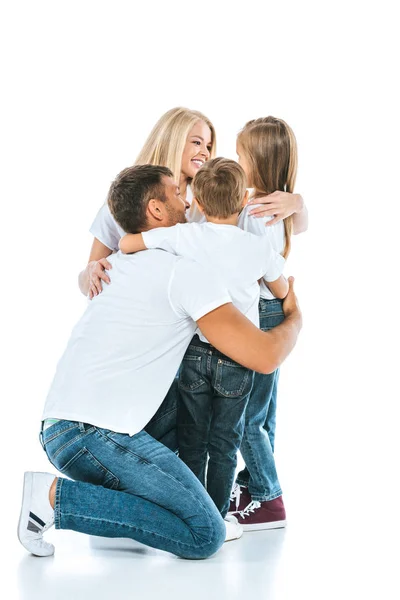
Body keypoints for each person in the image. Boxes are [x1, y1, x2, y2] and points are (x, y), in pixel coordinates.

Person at [18, 165, 302, 560]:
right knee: (205, 533)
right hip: (93, 434)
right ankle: (53, 498)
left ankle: (113, 513)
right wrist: (295, 316)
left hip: (64, 426)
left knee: (194, 401)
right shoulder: (182, 273)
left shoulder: (121, 261)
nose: (186, 199)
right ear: (155, 208)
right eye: (175, 192)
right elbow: (264, 356)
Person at [118, 157, 288, 517]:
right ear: (243, 200)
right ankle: (217, 515)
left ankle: (192, 512)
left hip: (195, 353)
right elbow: (281, 286)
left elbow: (128, 243)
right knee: (226, 441)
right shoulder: (256, 247)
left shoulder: (184, 235)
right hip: (238, 359)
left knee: (192, 438)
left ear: (197, 202)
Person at [79, 107, 307, 299]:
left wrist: (297, 203)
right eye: (197, 142)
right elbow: (87, 280)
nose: (205, 152)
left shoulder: (210, 200)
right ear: (173, 142)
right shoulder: (121, 202)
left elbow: (280, 230)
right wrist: (89, 273)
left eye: (208, 146)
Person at [228, 116, 301, 530]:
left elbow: (257, 266)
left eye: (241, 154)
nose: (236, 161)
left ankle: (269, 499)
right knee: (264, 410)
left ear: (257, 159)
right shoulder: (279, 201)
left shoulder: (255, 209)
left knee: (244, 417)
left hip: (258, 310)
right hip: (272, 308)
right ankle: (256, 485)